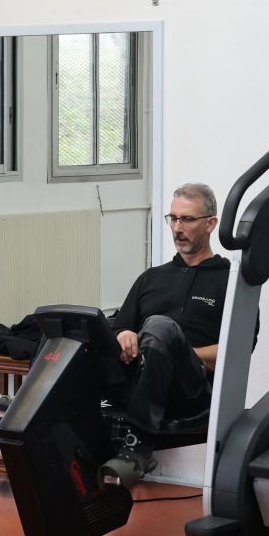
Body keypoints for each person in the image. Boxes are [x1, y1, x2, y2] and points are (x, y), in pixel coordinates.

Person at [99, 183, 239, 485]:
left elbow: (236, 353)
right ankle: (41, 419)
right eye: (173, 218)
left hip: (191, 391)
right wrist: (124, 334)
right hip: (138, 379)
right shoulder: (151, 277)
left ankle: (138, 445)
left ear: (210, 224)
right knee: (79, 328)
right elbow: (121, 326)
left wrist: (176, 352)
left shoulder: (230, 281)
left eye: (187, 219)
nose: (177, 228)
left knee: (160, 327)